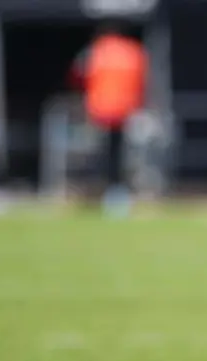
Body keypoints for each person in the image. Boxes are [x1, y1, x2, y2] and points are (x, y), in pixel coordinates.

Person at [70, 23, 149, 217]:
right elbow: (144, 80)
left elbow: (76, 76)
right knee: (120, 156)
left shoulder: (95, 51)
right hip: (125, 110)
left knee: (95, 155)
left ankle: (91, 192)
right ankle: (117, 194)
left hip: (98, 110)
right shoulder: (134, 51)